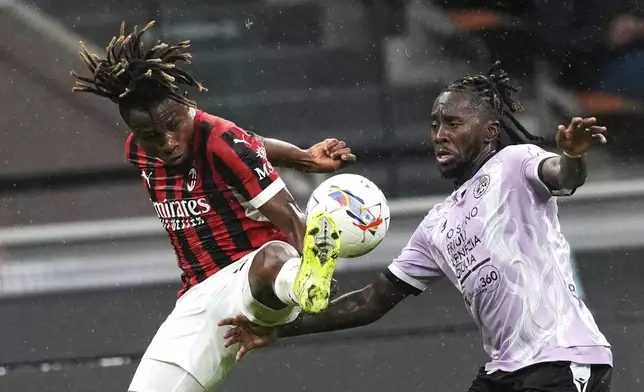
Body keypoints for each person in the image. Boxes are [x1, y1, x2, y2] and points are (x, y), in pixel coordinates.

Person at [219, 62, 614, 392]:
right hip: (506, 371)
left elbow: (563, 176)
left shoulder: (515, 163)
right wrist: (280, 329)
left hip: (563, 358)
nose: (440, 135)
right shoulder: (436, 225)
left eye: (453, 123)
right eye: (435, 125)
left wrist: (571, 155)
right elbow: (370, 301)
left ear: (490, 131)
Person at [71, 21, 356, 392]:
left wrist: (317, 274)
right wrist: (303, 158)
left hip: (251, 274)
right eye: (152, 136)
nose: (168, 142)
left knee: (275, 256)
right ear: (134, 132)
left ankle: (304, 282)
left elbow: (289, 215)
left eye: (174, 126)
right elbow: (251, 142)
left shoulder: (220, 139)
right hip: (196, 292)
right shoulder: (138, 151)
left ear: (187, 107)